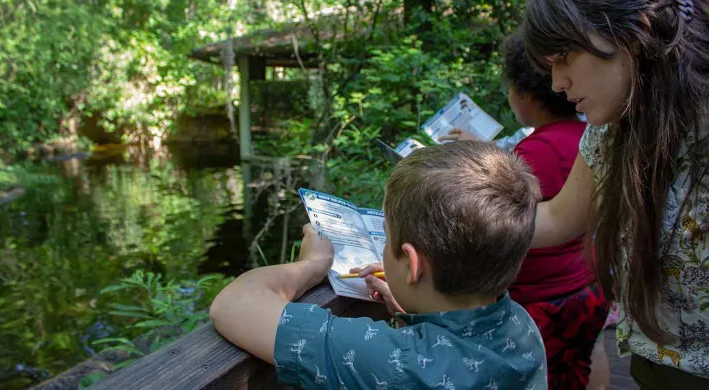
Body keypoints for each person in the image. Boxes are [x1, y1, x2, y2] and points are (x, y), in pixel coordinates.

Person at [210, 141, 548, 389]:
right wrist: (412, 310)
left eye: (386, 237)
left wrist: (311, 265)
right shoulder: (521, 327)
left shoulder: (397, 361)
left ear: (414, 266)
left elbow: (233, 304)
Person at [520, 0, 709, 388]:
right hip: (656, 360)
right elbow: (557, 217)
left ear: (634, 32)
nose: (557, 83)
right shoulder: (610, 128)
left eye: (565, 57)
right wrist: (449, 226)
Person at [439, 33, 611, 390]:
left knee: (542, 373)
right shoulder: (588, 135)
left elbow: (508, 212)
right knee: (582, 360)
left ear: (527, 96)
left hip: (543, 295)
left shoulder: (534, 153)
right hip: (587, 284)